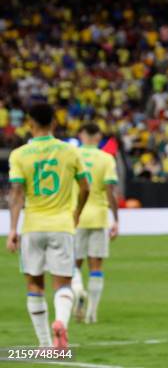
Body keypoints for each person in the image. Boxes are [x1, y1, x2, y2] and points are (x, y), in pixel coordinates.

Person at [6, 103, 90, 349]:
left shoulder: (19, 155)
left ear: (29, 123)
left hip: (32, 226)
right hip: (62, 225)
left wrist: (13, 229)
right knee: (63, 284)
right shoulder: (70, 151)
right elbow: (85, 187)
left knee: (34, 285)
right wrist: (76, 213)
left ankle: (44, 344)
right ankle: (61, 323)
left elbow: (17, 194)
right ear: (54, 123)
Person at [71, 123, 119, 324]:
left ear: (81, 134)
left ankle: (79, 291)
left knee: (73, 263)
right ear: (98, 136)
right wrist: (116, 219)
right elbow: (110, 192)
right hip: (99, 215)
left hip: (76, 215)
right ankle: (92, 312)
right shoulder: (106, 158)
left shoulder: (73, 154)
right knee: (96, 266)